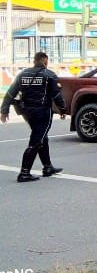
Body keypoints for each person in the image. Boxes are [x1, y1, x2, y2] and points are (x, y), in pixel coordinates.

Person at [0, 52, 67, 182]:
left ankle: (47, 167)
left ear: (34, 61)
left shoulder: (23, 74)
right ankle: (24, 173)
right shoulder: (49, 75)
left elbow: (10, 93)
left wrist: (4, 110)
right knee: (36, 140)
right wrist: (63, 109)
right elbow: (56, 95)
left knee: (42, 137)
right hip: (43, 112)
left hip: (27, 112)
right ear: (45, 61)